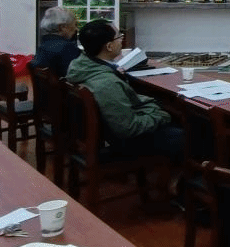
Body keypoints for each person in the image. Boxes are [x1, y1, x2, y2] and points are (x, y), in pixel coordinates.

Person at [66, 19, 183, 161]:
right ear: (109, 46)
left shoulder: (81, 65)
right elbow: (129, 128)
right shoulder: (107, 83)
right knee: (188, 132)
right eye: (119, 36)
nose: (122, 39)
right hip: (125, 141)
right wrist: (162, 116)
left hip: (108, 131)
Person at [31, 6, 81, 78]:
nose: (76, 29)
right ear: (62, 27)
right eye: (74, 24)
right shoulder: (68, 48)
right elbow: (78, 76)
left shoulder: (44, 45)